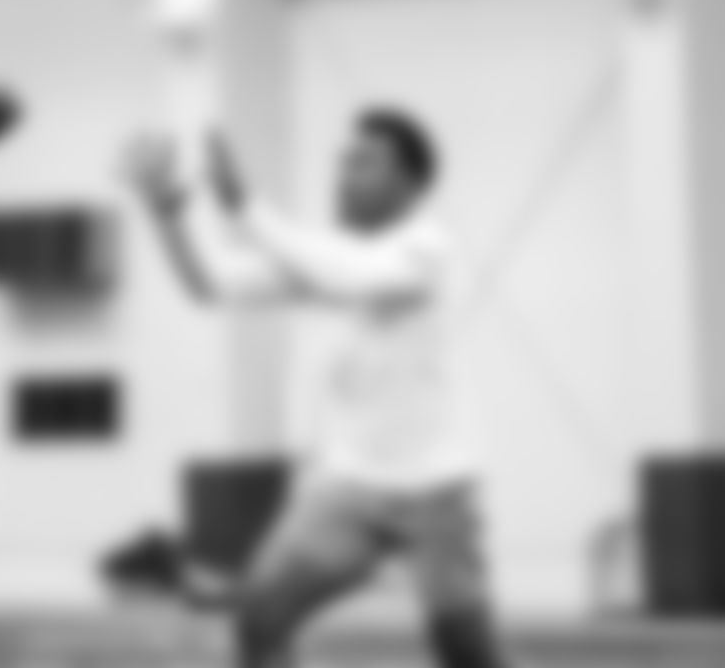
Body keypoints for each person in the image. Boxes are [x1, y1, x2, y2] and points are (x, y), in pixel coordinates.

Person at [125, 107, 510, 668]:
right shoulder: (323, 259)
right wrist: (168, 213)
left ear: (411, 182)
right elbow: (210, 284)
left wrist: (244, 208)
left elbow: (355, 276)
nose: (344, 174)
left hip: (437, 490)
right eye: (342, 161)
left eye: (364, 162)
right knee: (259, 617)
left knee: (467, 654)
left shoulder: (427, 249)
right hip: (348, 488)